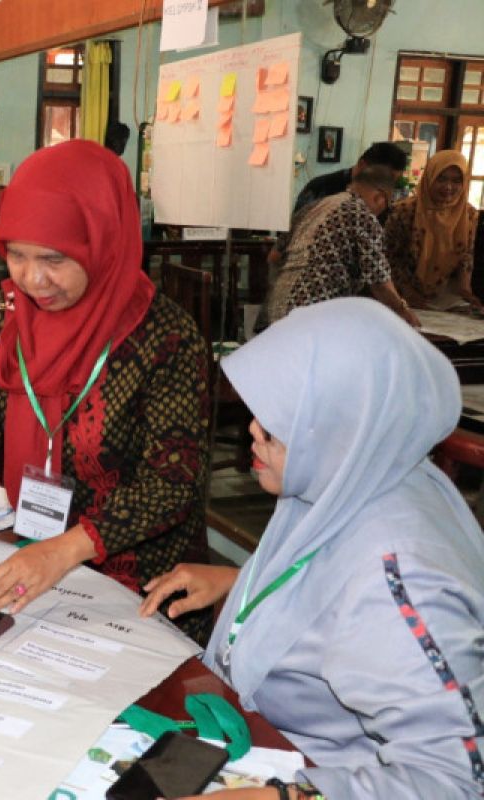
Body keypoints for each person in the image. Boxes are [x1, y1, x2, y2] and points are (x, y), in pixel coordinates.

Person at [141, 298, 484, 799]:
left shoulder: (400, 577)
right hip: (275, 746)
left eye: (278, 427)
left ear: (343, 427)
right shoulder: (359, 473)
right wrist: (239, 583)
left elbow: (455, 782)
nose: (253, 433)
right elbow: (333, 588)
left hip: (321, 775)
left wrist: (284, 797)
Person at [0, 140, 213, 641]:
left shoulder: (165, 336)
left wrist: (68, 549)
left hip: (141, 592)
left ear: (104, 241)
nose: (32, 280)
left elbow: (173, 483)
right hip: (33, 562)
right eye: (16, 255)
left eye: (54, 258)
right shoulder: (10, 315)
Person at [262, 166, 418, 327]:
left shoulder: (316, 206)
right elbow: (379, 281)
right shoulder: (362, 216)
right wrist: (402, 311)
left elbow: (273, 257)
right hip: (314, 314)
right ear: (379, 197)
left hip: (276, 310)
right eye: (387, 204)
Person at [385, 149, 482, 310]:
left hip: (447, 296)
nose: (448, 187)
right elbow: (389, 258)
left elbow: (466, 256)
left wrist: (466, 291)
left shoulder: (469, 215)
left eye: (457, 181)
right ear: (430, 177)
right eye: (441, 179)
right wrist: (408, 294)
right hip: (402, 294)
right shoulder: (404, 210)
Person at [293, 141, 408, 214]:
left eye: (394, 181)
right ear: (363, 165)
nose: (388, 186)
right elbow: (294, 232)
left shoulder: (386, 200)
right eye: (385, 178)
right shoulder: (321, 187)